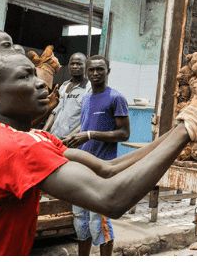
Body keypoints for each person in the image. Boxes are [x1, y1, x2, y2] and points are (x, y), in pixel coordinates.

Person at [0, 49, 197, 255]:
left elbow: (108, 169)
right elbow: (110, 198)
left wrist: (184, 125)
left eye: (34, 72)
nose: (40, 82)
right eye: (24, 77)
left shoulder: (32, 137)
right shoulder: (11, 146)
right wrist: (189, 128)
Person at [62, 55, 128, 256]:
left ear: (108, 70)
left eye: (100, 69)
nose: (95, 73)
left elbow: (124, 133)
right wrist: (75, 137)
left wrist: (90, 135)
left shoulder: (116, 98)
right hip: (82, 168)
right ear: (87, 71)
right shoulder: (87, 98)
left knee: (99, 221)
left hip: (102, 170)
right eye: (92, 70)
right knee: (80, 221)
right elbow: (86, 127)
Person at [44, 53, 90, 139]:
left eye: (79, 64)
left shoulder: (89, 89)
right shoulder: (64, 86)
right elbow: (54, 111)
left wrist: (70, 137)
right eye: (72, 64)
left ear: (86, 66)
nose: (75, 66)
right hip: (53, 137)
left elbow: (88, 119)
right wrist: (44, 130)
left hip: (70, 141)